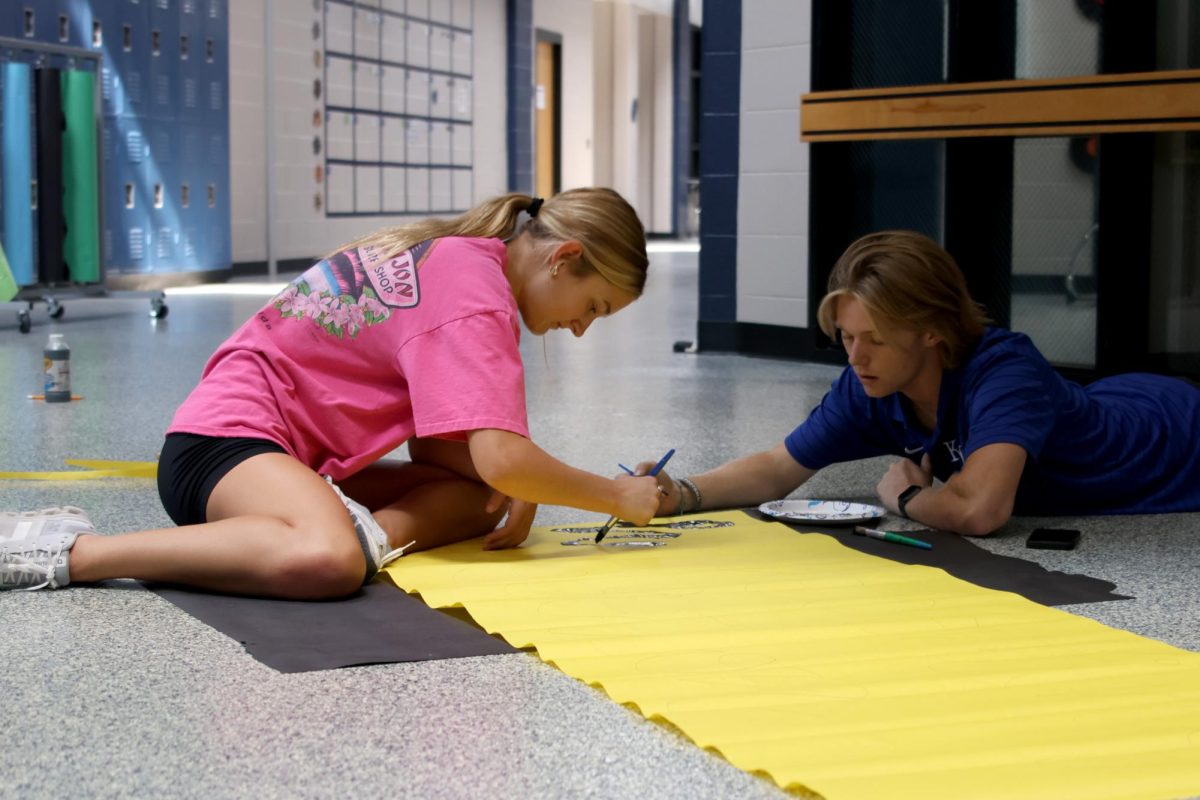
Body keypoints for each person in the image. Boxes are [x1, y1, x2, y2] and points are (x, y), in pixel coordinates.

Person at [1, 189, 664, 596]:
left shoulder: (465, 258)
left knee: (480, 499)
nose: (580, 329)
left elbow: (443, 453)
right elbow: (503, 457)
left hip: (273, 460)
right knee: (329, 559)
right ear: (564, 257)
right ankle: (74, 552)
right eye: (593, 307)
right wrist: (613, 496)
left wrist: (518, 484)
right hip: (221, 447)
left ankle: (359, 538)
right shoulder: (476, 295)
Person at [638, 229, 1200, 536]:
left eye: (875, 338)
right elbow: (779, 467)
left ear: (933, 331)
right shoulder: (870, 384)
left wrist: (905, 497)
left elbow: (981, 512)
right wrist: (680, 493)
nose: (856, 358)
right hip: (1118, 396)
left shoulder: (1004, 375)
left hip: (1178, 434)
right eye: (846, 337)